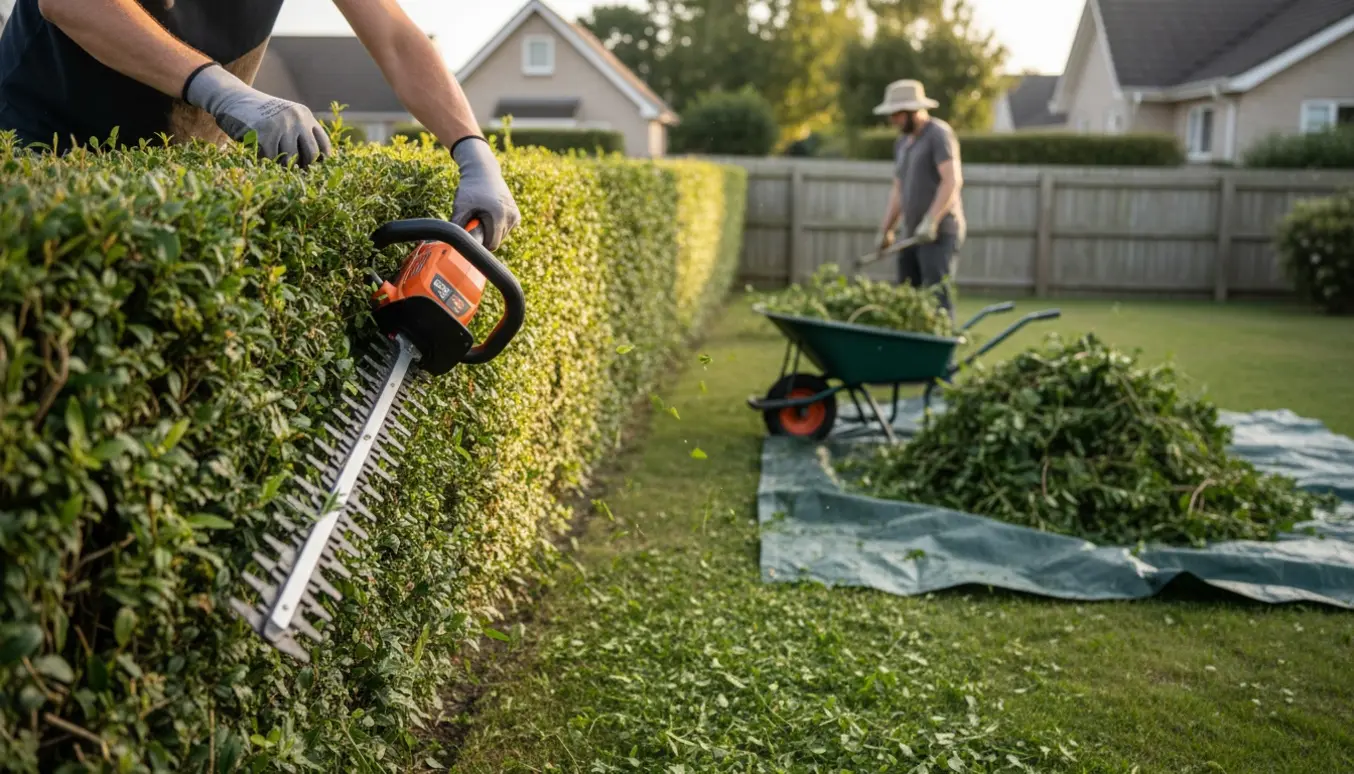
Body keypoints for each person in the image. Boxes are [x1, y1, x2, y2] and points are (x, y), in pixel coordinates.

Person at [0, 0, 520, 250]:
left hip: (176, 174)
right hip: (44, 146)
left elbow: (395, 38)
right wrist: (223, 90)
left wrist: (473, 151)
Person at [872, 79, 965, 319]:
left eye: (897, 115)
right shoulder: (902, 143)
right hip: (911, 234)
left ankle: (944, 354)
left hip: (939, 233)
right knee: (906, 299)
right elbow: (898, 191)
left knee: (937, 299)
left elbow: (951, 181)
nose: (893, 120)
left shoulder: (938, 135)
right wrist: (886, 230)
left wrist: (932, 220)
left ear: (913, 111)